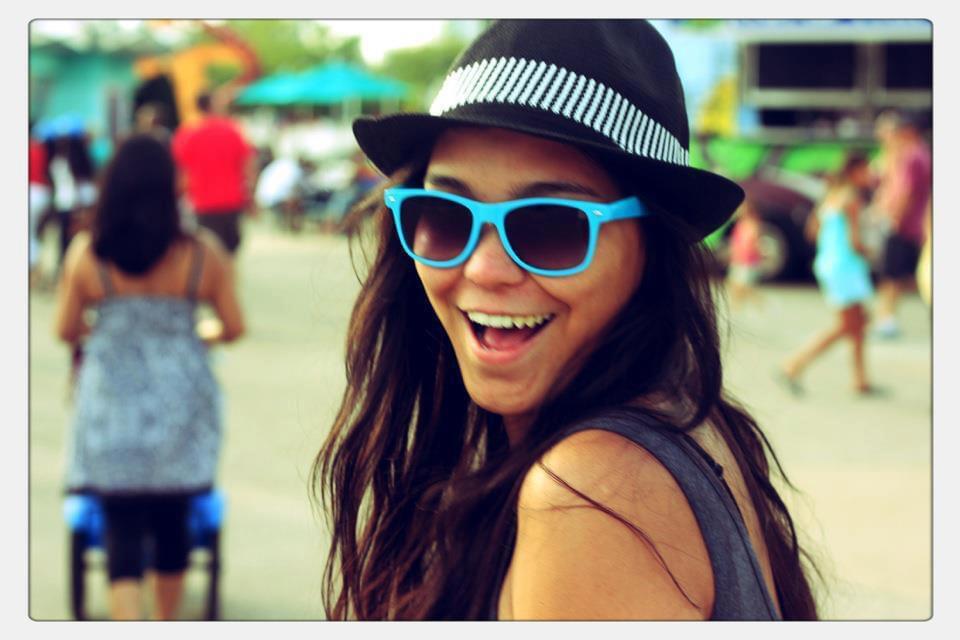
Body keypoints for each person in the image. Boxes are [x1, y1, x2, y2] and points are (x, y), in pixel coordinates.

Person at [313, 20, 818, 620]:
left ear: (651, 248)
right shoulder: (681, 418)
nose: (485, 268)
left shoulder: (592, 494)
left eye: (553, 225)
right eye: (446, 214)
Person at [54, 134, 245, 620]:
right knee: (172, 523)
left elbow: (66, 329)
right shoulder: (203, 253)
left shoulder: (85, 254)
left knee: (121, 526)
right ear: (170, 187)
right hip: (181, 405)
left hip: (110, 408)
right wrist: (199, 334)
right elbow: (234, 326)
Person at [780, 155, 875, 396]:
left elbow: (812, 233)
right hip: (847, 266)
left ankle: (860, 379)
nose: (870, 174)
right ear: (855, 171)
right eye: (866, 169)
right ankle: (794, 364)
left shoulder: (829, 197)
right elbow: (855, 242)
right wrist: (870, 252)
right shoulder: (851, 199)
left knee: (858, 323)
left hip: (829, 264)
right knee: (849, 324)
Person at [171, 92, 256, 259]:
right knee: (229, 253)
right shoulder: (233, 130)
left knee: (207, 255)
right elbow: (248, 166)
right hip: (231, 202)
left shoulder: (187, 133)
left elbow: (181, 174)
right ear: (212, 105)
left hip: (202, 204)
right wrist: (251, 196)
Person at [870, 111, 931, 338]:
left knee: (893, 275)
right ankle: (885, 316)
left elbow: (907, 192)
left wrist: (894, 218)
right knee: (895, 274)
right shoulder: (909, 153)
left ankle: (886, 319)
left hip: (902, 224)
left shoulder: (914, 155)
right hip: (906, 222)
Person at [725, 199, 764, 311]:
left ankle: (758, 303)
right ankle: (736, 307)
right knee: (734, 285)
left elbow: (753, 243)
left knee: (742, 287)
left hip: (747, 261)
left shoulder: (752, 224)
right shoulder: (740, 225)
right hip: (738, 259)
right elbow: (736, 243)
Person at [29, 127, 51, 287]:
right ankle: (36, 270)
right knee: (38, 233)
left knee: (30, 233)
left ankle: (34, 270)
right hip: (44, 193)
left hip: (32, 191)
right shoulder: (45, 150)